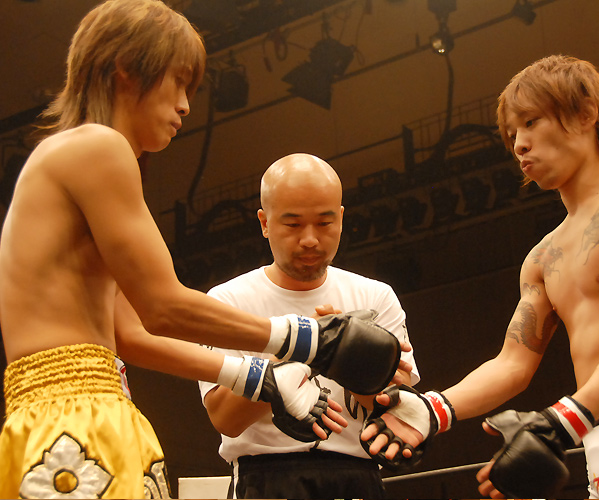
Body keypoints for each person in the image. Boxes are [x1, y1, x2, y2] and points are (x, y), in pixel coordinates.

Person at [0, 1, 398, 498]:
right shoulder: (97, 147)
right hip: (73, 412)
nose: (186, 105)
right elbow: (163, 306)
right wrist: (310, 340)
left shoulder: (76, 156)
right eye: (179, 82)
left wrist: (258, 378)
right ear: (127, 68)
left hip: (85, 406)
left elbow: (131, 335)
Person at [360, 54, 599, 499]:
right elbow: (513, 364)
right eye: (512, 133)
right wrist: (433, 409)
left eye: (531, 122)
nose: (519, 144)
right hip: (597, 439)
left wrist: (563, 419)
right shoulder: (543, 257)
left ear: (585, 114)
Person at [198, 152, 420, 499]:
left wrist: (349, 355)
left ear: (341, 218)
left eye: (325, 222)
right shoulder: (227, 301)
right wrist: (304, 347)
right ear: (265, 223)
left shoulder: (375, 297)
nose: (310, 239)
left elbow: (399, 406)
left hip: (359, 474)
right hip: (267, 477)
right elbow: (225, 419)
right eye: (293, 225)